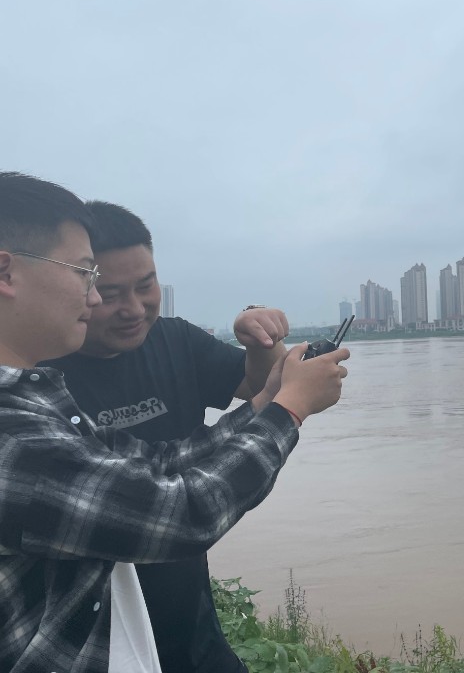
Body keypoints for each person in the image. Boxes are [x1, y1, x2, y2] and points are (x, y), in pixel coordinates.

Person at [0, 171, 349, 673]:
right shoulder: (13, 434)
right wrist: (288, 411)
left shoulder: (35, 397)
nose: (96, 300)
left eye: (143, 286)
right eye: (85, 275)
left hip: (171, 637)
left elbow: (154, 465)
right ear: (6, 273)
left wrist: (271, 400)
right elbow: (183, 512)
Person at [44, 201, 292, 672]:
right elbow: (166, 500)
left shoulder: (175, 339)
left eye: (146, 285)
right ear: (79, 288)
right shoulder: (41, 375)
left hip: (191, 625)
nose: (134, 309)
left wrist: (260, 337)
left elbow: (257, 386)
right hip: (96, 642)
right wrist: (289, 409)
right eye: (110, 293)